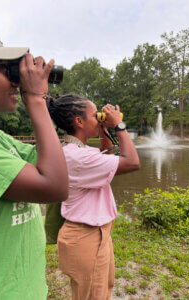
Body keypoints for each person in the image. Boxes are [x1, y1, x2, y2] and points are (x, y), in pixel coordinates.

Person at [0, 28, 68, 299]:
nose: (17, 81)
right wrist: (35, 99)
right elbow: (55, 186)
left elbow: (55, 168)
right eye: (7, 70)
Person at [46, 94, 140, 300]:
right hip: (86, 236)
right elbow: (132, 162)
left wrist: (104, 129)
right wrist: (119, 125)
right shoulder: (78, 156)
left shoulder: (76, 151)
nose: (99, 118)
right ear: (79, 121)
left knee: (102, 291)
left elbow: (104, 156)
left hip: (95, 234)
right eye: (95, 115)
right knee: (92, 296)